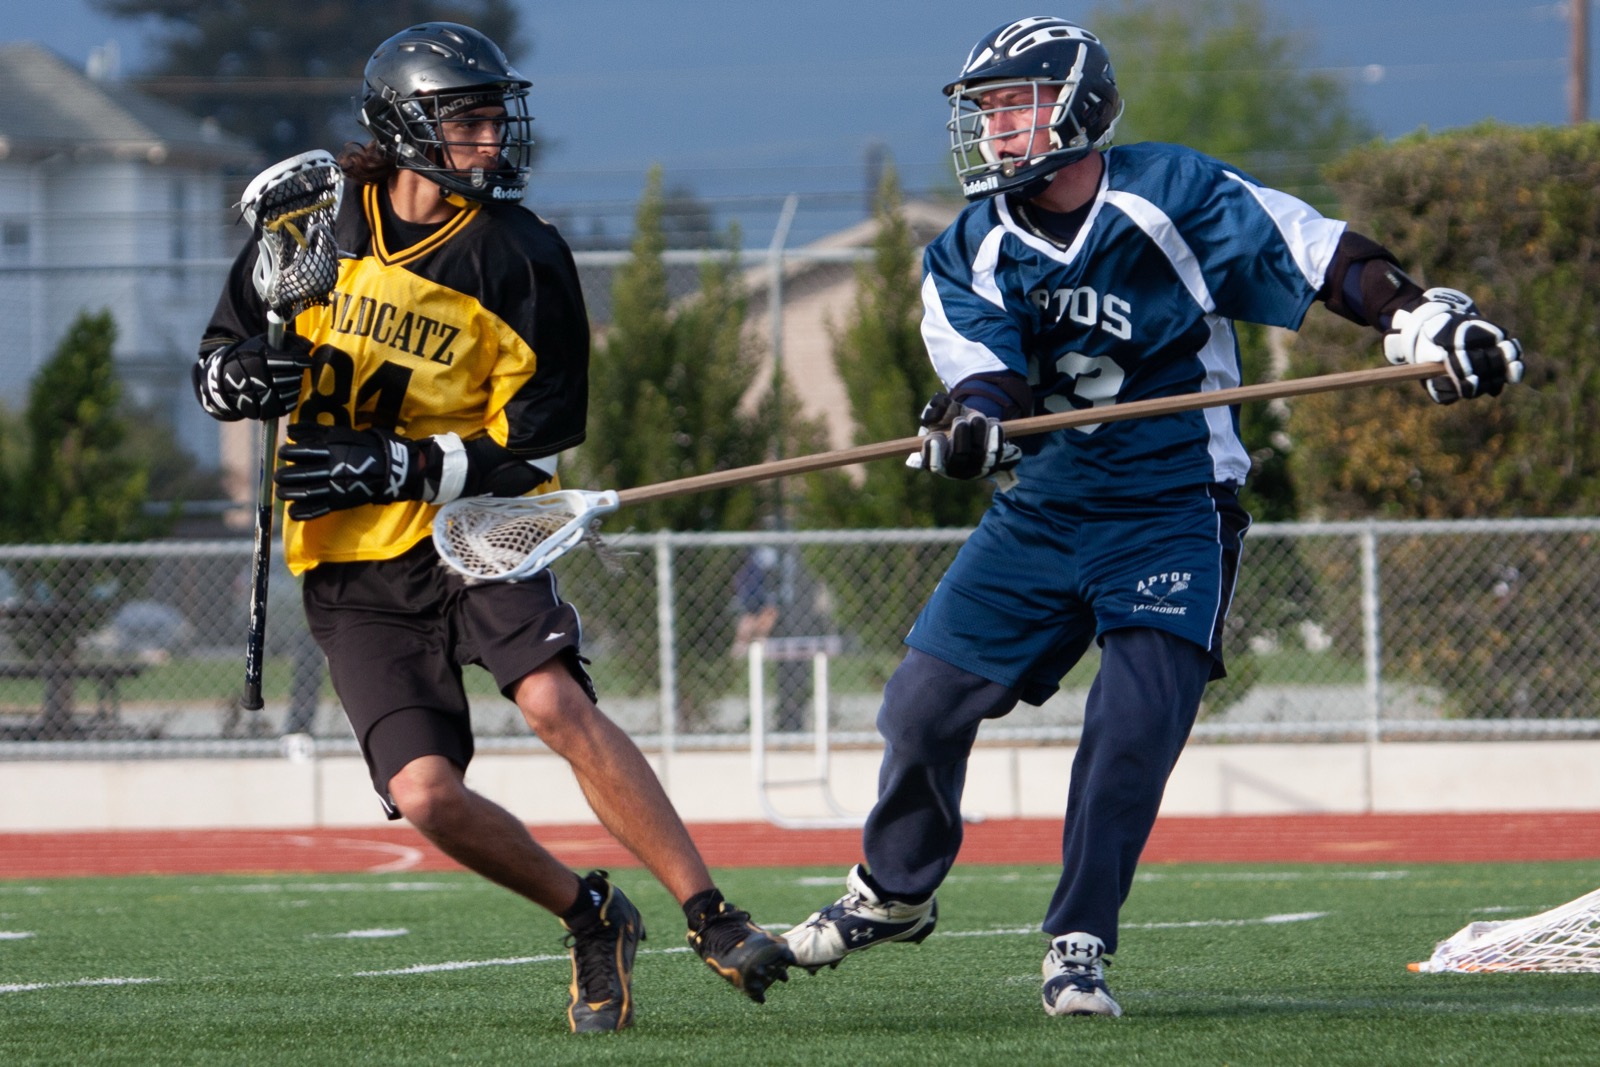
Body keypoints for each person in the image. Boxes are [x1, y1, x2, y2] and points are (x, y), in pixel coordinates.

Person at [782, 16, 1523, 1018]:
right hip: (1045, 510)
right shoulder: (967, 251)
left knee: (1128, 725)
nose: (994, 131)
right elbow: (986, 380)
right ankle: (896, 889)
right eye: (986, 112)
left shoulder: (1170, 194)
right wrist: (972, 427)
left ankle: (1077, 939)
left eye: (1013, 107)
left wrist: (1424, 320)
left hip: (1173, 507)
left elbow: (1322, 260)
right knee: (920, 705)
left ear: (1076, 109)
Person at [191, 21, 792, 1033]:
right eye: (464, 120)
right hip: (348, 565)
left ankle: (710, 910)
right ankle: (590, 912)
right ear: (402, 126)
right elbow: (218, 365)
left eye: (490, 119)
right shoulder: (308, 226)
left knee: (554, 698)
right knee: (426, 793)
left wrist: (410, 462)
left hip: (476, 530)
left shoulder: (522, 255)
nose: (488, 140)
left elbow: (541, 441)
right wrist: (246, 375)